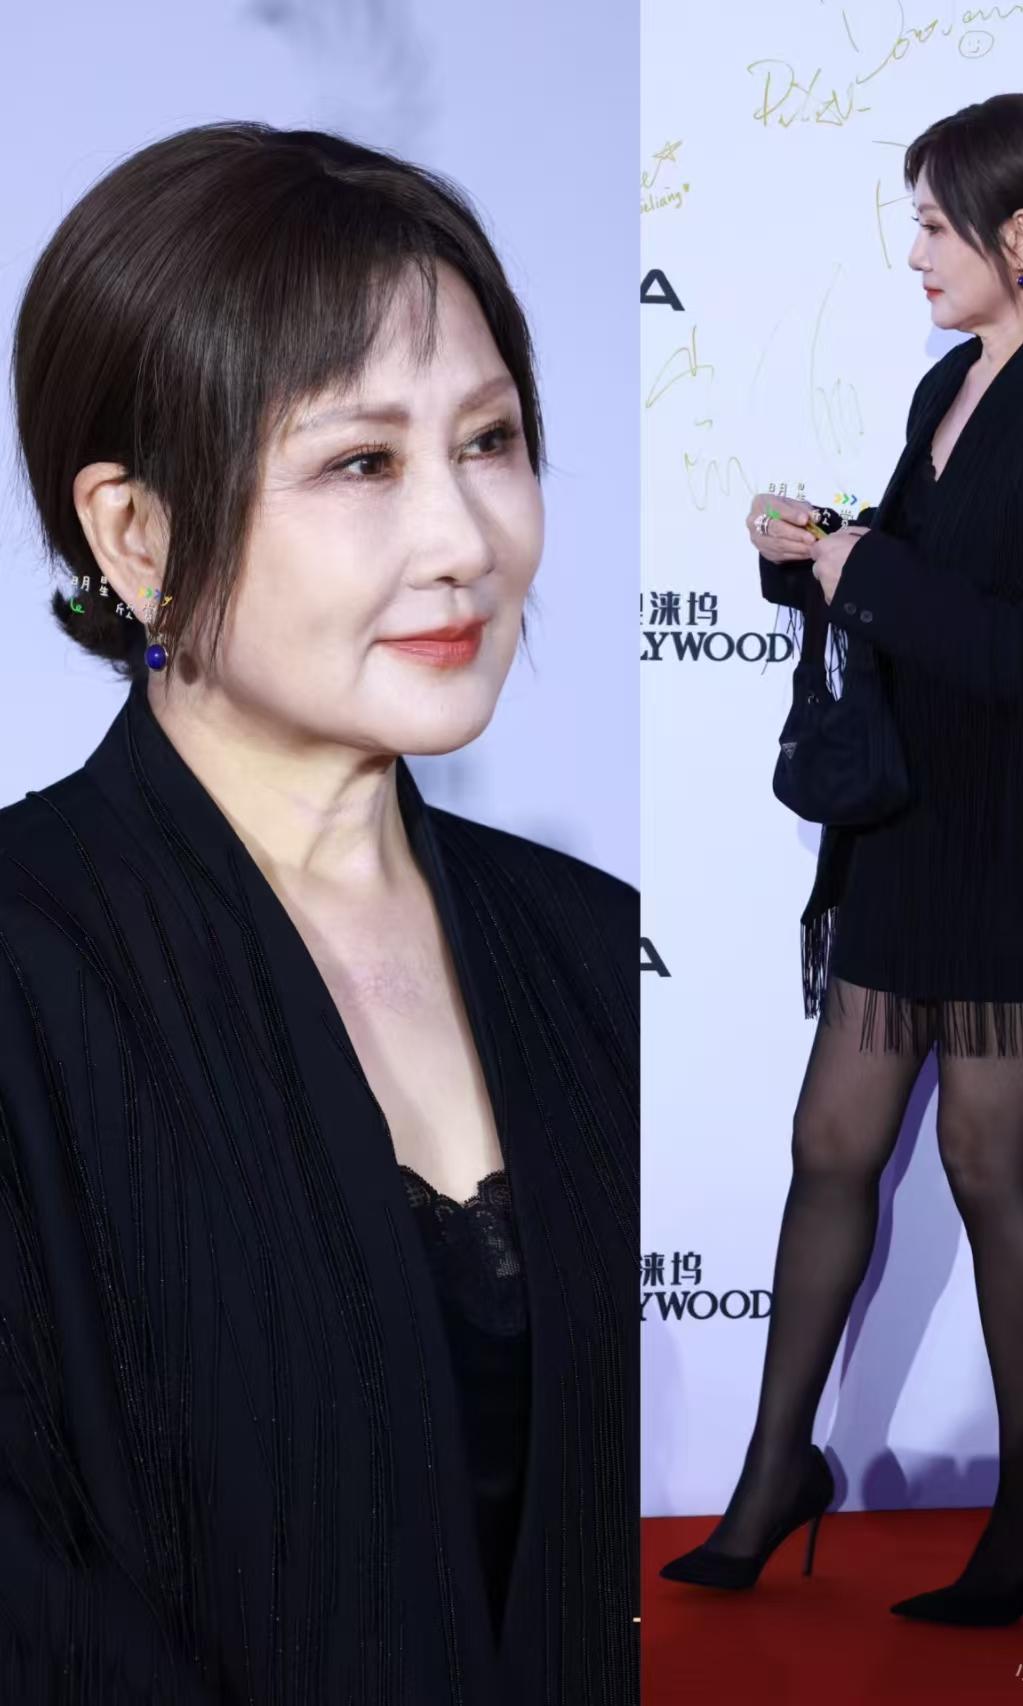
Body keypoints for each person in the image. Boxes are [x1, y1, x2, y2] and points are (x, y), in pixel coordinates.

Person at [0, 122, 637, 1702]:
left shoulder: (593, 946)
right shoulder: (25, 966)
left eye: (490, 441)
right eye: (363, 463)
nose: (465, 540)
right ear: (137, 533)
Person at [660, 93, 1023, 1625]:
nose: (915, 254)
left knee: (985, 1164)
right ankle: (776, 1469)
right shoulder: (947, 380)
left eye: (938, 226)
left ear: (1022, 238)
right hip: (905, 832)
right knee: (832, 1141)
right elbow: (914, 580)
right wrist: (814, 551)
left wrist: (868, 569)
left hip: (1020, 849)